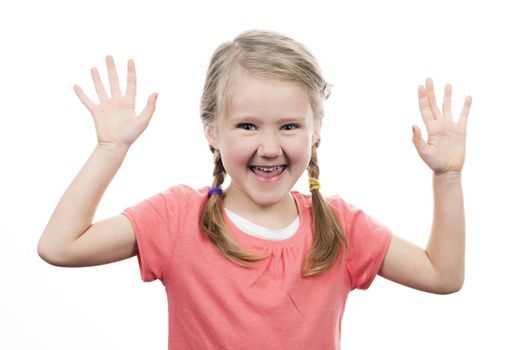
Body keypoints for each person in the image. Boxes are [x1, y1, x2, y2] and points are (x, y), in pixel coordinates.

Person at [37, 29, 472, 349]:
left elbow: (442, 274)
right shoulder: (176, 219)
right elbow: (60, 246)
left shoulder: (339, 227)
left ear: (315, 129)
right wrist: (110, 149)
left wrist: (447, 178)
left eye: (288, 126)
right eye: (247, 126)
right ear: (212, 131)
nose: (269, 147)